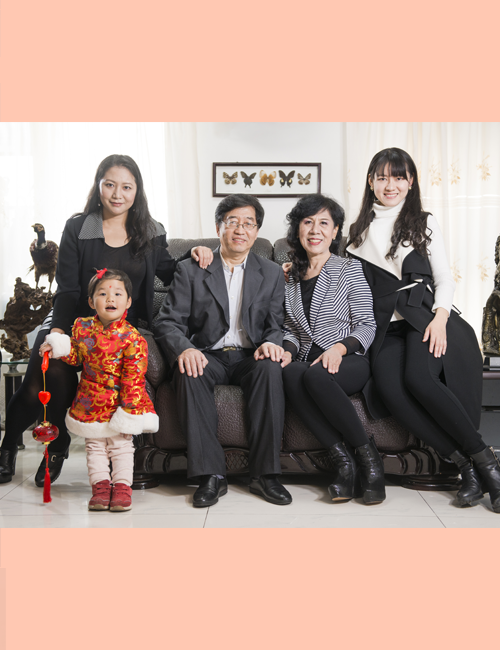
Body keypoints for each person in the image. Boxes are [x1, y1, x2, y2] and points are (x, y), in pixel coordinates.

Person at [0, 154, 212, 486]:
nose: (117, 194)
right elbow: (67, 289)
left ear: (137, 191)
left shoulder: (150, 230)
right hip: (73, 319)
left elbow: (168, 270)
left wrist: (193, 255)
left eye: (126, 187)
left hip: (120, 328)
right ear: (98, 186)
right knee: (43, 374)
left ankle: (57, 447)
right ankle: (19, 446)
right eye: (110, 184)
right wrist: (58, 332)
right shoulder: (78, 227)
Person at [346, 147, 500, 513]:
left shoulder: (423, 222)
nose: (391, 185)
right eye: (382, 177)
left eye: (399, 177)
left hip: (424, 317)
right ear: (370, 181)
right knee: (389, 390)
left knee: (419, 378)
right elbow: (341, 282)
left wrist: (440, 318)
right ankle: (465, 466)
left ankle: (487, 465)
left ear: (411, 181)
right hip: (384, 328)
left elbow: (444, 277)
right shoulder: (355, 233)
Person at [154, 193, 292, 508]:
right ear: (219, 228)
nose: (240, 229)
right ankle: (210, 475)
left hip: (250, 355)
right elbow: (167, 322)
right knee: (189, 370)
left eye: (248, 223)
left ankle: (265, 475)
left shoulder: (271, 273)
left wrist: (272, 343)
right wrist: (185, 349)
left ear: (256, 231)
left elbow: (275, 324)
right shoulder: (191, 269)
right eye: (232, 222)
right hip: (208, 353)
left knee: (270, 368)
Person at [281, 194, 385, 504]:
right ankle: (344, 463)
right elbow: (291, 329)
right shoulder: (289, 276)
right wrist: (287, 350)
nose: (315, 230)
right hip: (308, 360)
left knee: (315, 376)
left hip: (348, 358)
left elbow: (367, 324)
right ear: (298, 229)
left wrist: (339, 348)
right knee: (290, 372)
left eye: (324, 223)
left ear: (335, 230)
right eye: (308, 222)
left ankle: (370, 461)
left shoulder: (349, 269)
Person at [40, 269, 157, 511]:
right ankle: (100, 488)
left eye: (117, 294)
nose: (110, 298)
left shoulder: (133, 338)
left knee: (120, 446)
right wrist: (58, 347)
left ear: (128, 302)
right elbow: (76, 357)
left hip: (121, 402)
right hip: (90, 400)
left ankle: (122, 487)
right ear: (92, 302)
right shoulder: (82, 328)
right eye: (102, 294)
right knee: (94, 446)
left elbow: (134, 378)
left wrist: (128, 412)